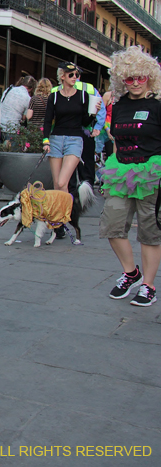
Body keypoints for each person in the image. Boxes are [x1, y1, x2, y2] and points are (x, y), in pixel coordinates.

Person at [100, 46, 161, 307]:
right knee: (112, 227)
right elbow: (116, 139)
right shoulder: (119, 104)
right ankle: (130, 272)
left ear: (149, 77)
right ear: (121, 79)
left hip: (151, 173)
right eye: (129, 78)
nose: (135, 83)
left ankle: (148, 285)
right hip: (121, 171)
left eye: (140, 77)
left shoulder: (157, 106)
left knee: (150, 232)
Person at [42, 61, 93, 193]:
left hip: (75, 139)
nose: (75, 77)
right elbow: (47, 120)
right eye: (71, 74)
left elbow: (85, 121)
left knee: (62, 182)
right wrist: (45, 140)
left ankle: (65, 213)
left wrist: (93, 114)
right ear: (62, 76)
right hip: (56, 139)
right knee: (57, 184)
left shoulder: (82, 95)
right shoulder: (54, 97)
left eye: (76, 74)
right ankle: (59, 213)